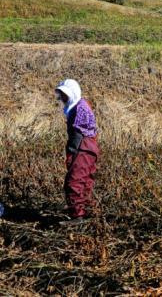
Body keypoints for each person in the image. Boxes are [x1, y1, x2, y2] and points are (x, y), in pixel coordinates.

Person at [55, 79, 99, 223]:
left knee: (74, 182)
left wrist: (72, 154)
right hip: (87, 148)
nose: (62, 98)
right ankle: (87, 214)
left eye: (64, 94)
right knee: (85, 181)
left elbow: (79, 134)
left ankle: (78, 216)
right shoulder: (78, 106)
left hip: (83, 148)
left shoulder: (80, 108)